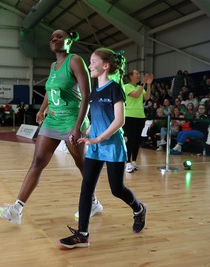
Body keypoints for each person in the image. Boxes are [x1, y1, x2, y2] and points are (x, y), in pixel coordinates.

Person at [0, 29, 102, 225]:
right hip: (52, 119)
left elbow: (86, 95)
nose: (54, 39)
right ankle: (16, 209)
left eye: (59, 36)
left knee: (81, 163)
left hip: (71, 119)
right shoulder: (53, 66)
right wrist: (42, 109)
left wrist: (78, 126)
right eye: (52, 37)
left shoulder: (75, 60)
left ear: (69, 41)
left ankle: (93, 202)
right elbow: (50, 91)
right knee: (38, 161)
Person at [59, 48, 147, 249]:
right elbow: (95, 121)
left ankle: (139, 209)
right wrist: (85, 133)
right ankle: (82, 234)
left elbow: (119, 120)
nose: (89, 65)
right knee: (86, 187)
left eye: (92, 62)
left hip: (112, 146)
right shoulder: (93, 93)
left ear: (105, 66)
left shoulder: (115, 88)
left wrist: (97, 138)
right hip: (96, 146)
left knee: (117, 190)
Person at [123, 70, 153, 173]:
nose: (139, 75)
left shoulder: (140, 87)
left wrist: (148, 85)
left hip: (140, 116)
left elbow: (147, 97)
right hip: (129, 116)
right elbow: (135, 95)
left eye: (139, 74)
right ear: (131, 76)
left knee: (137, 140)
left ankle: (134, 161)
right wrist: (143, 84)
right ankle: (127, 162)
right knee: (130, 140)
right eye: (136, 74)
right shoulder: (126, 86)